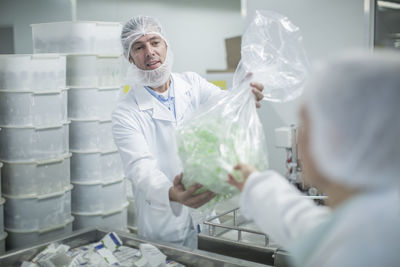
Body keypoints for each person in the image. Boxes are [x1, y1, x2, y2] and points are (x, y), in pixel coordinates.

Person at [228, 51, 400, 267]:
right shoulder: (376, 220)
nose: (299, 135)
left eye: (305, 124)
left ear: (336, 138)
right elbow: (310, 228)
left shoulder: (362, 252)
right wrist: (253, 182)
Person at [112, 15, 264, 248]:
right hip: (163, 219)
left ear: (166, 45)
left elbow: (226, 104)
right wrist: (173, 193)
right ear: (129, 57)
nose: (150, 52)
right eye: (139, 47)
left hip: (206, 214)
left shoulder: (192, 84)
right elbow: (139, 168)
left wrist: (245, 97)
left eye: (155, 42)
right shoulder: (126, 111)